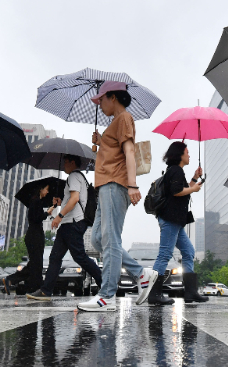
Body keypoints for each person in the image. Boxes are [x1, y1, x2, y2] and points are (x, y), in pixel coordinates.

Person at [77, 81, 154, 312]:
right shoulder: (115, 123)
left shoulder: (123, 119)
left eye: (101, 99)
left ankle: (107, 296)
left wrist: (132, 185)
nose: (99, 104)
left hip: (115, 184)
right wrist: (101, 143)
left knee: (110, 240)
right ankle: (141, 274)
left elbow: (129, 151)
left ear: (113, 97)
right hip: (105, 187)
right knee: (99, 239)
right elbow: (115, 152)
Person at [139, 142, 209, 305]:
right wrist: (193, 189)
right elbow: (178, 192)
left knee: (189, 251)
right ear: (180, 155)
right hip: (170, 220)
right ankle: (154, 294)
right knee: (164, 254)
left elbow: (183, 190)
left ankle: (191, 292)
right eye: (187, 152)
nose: (189, 155)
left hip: (175, 221)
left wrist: (194, 179)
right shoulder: (175, 171)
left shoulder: (176, 172)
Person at [26, 155, 103, 301]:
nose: (64, 165)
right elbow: (72, 199)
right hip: (70, 223)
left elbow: (74, 199)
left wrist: (59, 215)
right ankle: (45, 291)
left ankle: (105, 284)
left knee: (79, 257)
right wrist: (61, 202)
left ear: (72, 162)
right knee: (55, 257)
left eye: (66, 162)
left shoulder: (74, 176)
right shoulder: (79, 178)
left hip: (72, 223)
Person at [2, 182, 59, 295]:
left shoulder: (37, 201)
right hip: (34, 236)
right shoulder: (35, 201)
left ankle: (32, 287)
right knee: (35, 264)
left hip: (35, 235)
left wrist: (53, 207)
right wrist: (47, 213)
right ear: (40, 190)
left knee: (35, 264)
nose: (47, 192)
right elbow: (36, 218)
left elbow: (37, 215)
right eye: (46, 189)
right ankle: (15, 280)